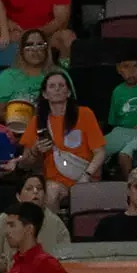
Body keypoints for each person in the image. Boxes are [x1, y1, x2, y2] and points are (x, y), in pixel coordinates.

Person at [34, 68, 104, 210]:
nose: (57, 89)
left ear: (69, 92)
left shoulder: (85, 114)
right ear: (45, 94)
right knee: (50, 189)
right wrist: (36, 151)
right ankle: (54, 231)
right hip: (56, 183)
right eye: (52, 86)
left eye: (62, 86)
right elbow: (27, 163)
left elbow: (100, 153)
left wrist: (86, 176)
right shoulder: (37, 122)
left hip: (86, 178)